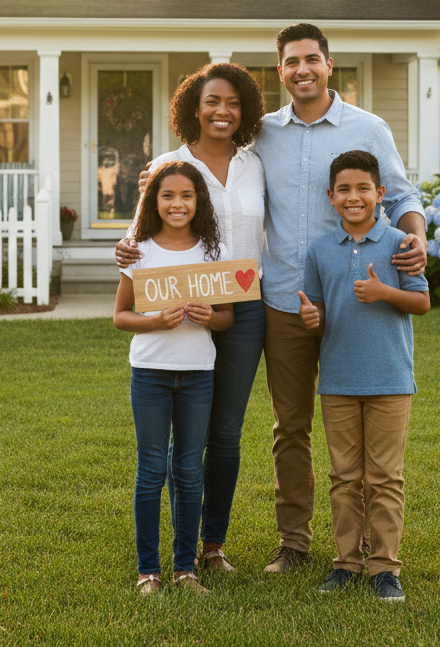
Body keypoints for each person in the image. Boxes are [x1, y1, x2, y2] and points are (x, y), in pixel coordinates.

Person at [255, 23, 427, 573]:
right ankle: (295, 543)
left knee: (363, 435)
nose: (301, 69)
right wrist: (157, 172)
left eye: (311, 59)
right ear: (279, 70)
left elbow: (400, 192)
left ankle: (371, 555)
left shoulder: (368, 127)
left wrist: (416, 235)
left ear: (329, 64)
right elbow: (208, 164)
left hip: (359, 305)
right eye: (290, 61)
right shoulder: (260, 133)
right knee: (291, 428)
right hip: (287, 299)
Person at [116, 63, 267, 574]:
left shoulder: (255, 164)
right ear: (192, 108)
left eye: (232, 103)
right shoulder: (168, 165)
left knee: (224, 432)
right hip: (180, 308)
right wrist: (123, 250)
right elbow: (140, 235)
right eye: (212, 102)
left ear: (243, 111)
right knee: (183, 442)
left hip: (241, 307)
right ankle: (169, 556)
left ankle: (212, 546)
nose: (222, 112)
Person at [298, 150, 430, 602]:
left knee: (385, 477)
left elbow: (421, 303)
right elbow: (314, 307)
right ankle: (346, 563)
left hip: (390, 379)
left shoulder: (400, 244)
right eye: (344, 190)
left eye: (363, 189)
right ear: (331, 197)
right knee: (344, 476)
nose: (354, 198)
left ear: (380, 193)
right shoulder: (318, 250)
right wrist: (311, 318)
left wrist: (383, 291)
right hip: (337, 381)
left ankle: (385, 568)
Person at [113, 161, 235, 595]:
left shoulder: (212, 252)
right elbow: (120, 316)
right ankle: (149, 571)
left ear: (198, 201)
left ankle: (185, 568)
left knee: (188, 469)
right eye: (168, 196)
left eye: (186, 196)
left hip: (198, 373)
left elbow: (226, 319)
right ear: (153, 200)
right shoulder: (139, 249)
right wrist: (156, 323)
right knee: (151, 471)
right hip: (151, 372)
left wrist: (210, 317)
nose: (177, 204)